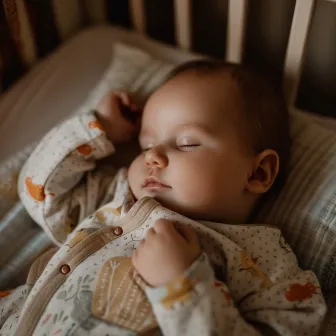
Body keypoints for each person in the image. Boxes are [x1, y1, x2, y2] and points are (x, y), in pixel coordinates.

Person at [0, 60, 326, 335]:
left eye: (186, 143)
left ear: (257, 173)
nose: (152, 156)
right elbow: (40, 192)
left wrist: (181, 287)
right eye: (145, 145)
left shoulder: (262, 261)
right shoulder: (115, 198)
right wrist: (98, 129)